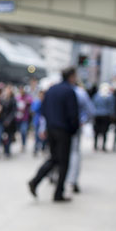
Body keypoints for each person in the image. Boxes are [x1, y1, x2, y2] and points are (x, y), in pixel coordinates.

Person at [28, 68, 79, 202]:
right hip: (63, 131)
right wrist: (72, 129)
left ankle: (35, 180)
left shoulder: (51, 90)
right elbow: (73, 114)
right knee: (63, 163)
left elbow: (43, 110)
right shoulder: (69, 91)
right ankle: (58, 193)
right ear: (71, 76)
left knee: (54, 158)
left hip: (52, 129)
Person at [65, 82, 94, 193]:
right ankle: (72, 180)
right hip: (74, 128)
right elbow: (90, 111)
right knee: (74, 153)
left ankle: (61, 178)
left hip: (60, 128)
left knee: (63, 153)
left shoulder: (58, 90)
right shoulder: (80, 93)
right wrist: (83, 120)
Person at [0, 85, 17, 159]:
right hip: (1, 120)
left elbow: (13, 112)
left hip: (9, 122)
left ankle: (7, 150)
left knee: (8, 137)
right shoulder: (2, 99)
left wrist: (8, 120)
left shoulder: (12, 100)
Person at [92, 83, 116, 151]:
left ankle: (95, 146)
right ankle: (103, 146)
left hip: (97, 115)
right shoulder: (110, 96)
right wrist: (112, 115)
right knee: (104, 131)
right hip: (105, 115)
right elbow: (111, 107)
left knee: (97, 131)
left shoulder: (97, 96)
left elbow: (93, 105)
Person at [15, 85, 33, 152]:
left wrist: (27, 103)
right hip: (17, 118)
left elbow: (31, 103)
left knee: (23, 131)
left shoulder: (28, 97)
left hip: (25, 118)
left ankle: (23, 144)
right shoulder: (17, 97)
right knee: (18, 132)